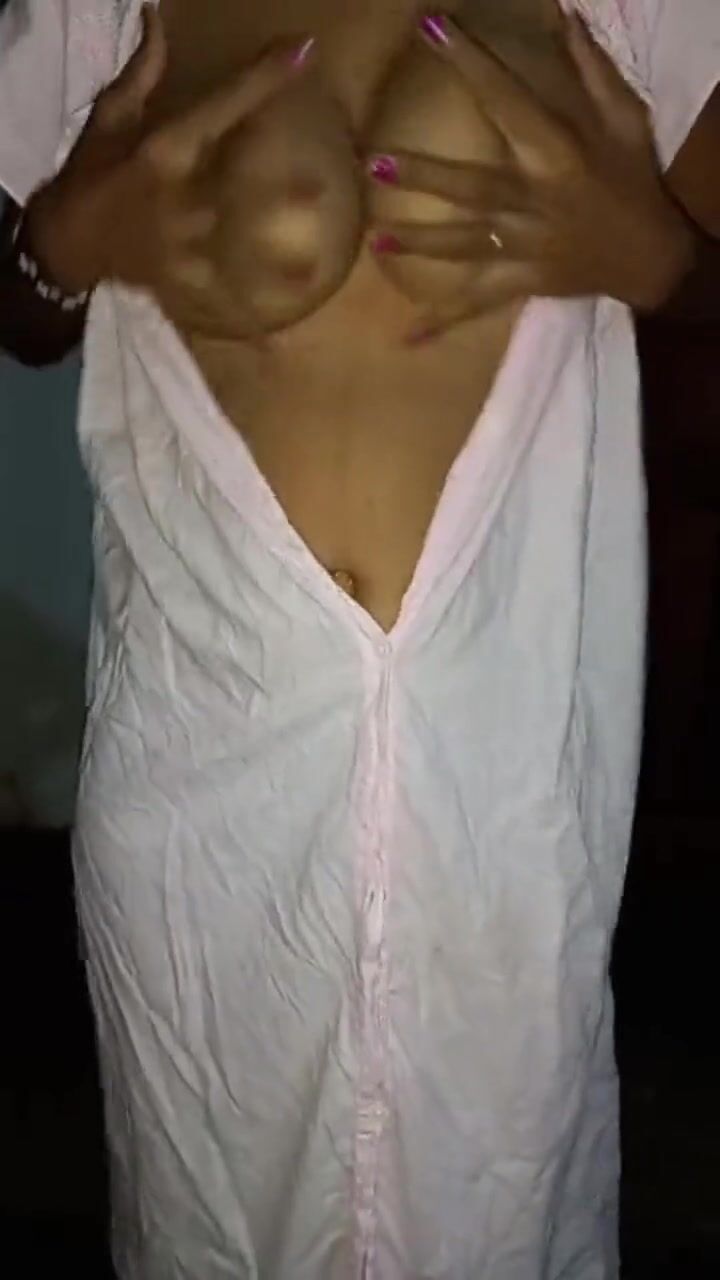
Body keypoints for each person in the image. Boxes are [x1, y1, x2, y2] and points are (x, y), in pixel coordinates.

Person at [1, 2, 719, 1276]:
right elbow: (23, 299)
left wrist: (664, 261)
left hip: (497, 801)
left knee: (505, 1213)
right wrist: (62, 244)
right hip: (205, 789)